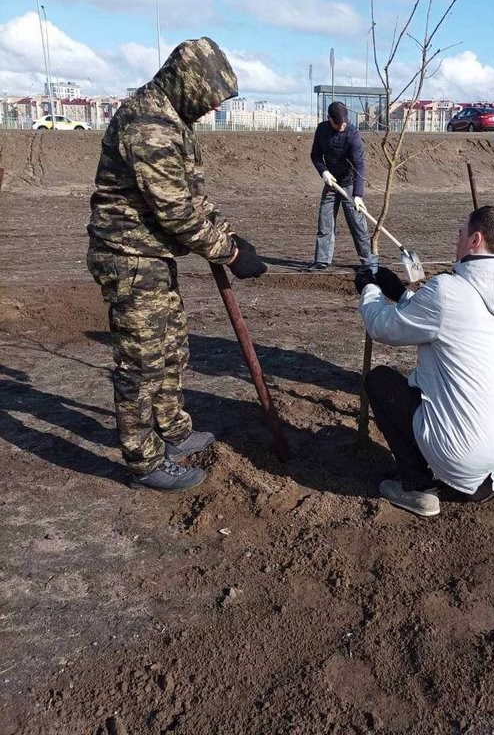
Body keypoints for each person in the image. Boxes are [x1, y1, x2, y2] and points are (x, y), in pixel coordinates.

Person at [87, 37, 266, 493]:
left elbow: (194, 196)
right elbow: (175, 212)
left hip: (153, 254)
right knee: (140, 360)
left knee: (171, 347)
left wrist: (228, 234)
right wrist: (227, 253)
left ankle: (173, 431)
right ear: (188, 84)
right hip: (129, 256)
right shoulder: (148, 127)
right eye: (207, 99)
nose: (208, 110)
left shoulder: (172, 119)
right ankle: (143, 459)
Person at [355, 206, 494, 518]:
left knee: (380, 382)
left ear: (475, 240)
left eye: (461, 233)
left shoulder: (447, 290)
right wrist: (401, 293)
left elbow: (382, 327)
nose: (456, 238)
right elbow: (453, 323)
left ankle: (418, 488)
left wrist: (369, 288)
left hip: (461, 452)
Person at [309, 101, 377, 271]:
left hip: (350, 183)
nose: (341, 126)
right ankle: (322, 261)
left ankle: (368, 263)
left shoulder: (352, 134)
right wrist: (323, 171)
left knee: (357, 224)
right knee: (325, 223)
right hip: (331, 183)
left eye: (344, 123)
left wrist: (358, 195)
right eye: (337, 123)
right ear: (329, 119)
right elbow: (315, 155)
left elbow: (359, 165)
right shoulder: (322, 130)